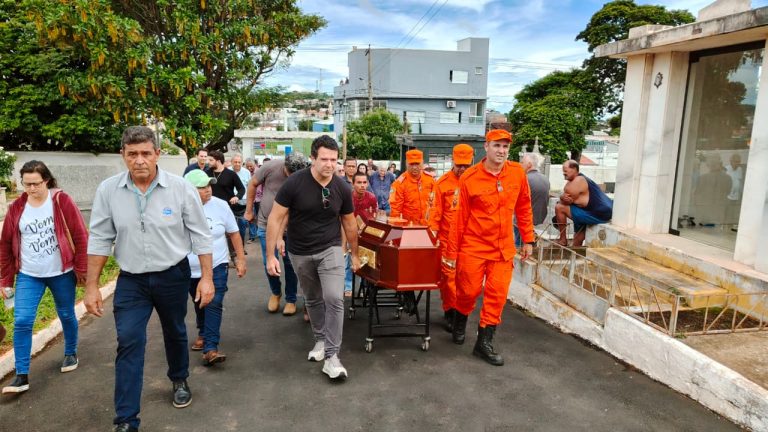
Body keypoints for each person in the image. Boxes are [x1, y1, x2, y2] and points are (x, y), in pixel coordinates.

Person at [84, 126, 214, 432]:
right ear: (123, 156)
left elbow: (200, 234)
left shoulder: (180, 188)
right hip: (132, 280)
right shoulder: (108, 191)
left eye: (145, 153)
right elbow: (101, 238)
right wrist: (91, 286)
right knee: (129, 341)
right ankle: (126, 420)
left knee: (175, 330)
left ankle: (179, 376)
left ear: (157, 154)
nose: (139, 160)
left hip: (173, 274)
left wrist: (207, 277)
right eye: (132, 154)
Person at [266, 135, 360, 380]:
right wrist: (270, 255)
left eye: (334, 160)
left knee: (334, 298)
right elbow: (276, 218)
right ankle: (320, 340)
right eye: (324, 159)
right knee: (313, 299)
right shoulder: (294, 184)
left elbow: (349, 223)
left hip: (330, 248)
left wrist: (355, 253)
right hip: (300, 250)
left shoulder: (342, 187)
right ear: (313, 158)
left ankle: (332, 356)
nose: (330, 165)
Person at [445, 129, 534, 366]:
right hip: (473, 248)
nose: (502, 151)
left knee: (497, 296)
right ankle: (461, 320)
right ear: (486, 147)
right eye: (497, 146)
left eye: (505, 147)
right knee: (468, 292)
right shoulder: (470, 178)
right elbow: (459, 219)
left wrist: (528, 239)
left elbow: (524, 207)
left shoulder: (517, 173)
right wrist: (451, 254)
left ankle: (483, 343)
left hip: (503, 249)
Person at [0, 161, 88, 394]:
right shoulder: (17, 207)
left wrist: (81, 269)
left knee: (67, 313)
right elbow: (6, 245)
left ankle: (70, 352)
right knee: (22, 321)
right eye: (26, 184)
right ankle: (21, 375)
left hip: (61, 272)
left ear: (46, 180)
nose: (31, 188)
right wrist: (6, 280)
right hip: (30, 274)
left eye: (36, 183)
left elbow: (80, 234)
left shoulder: (60, 201)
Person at [183, 170, 246, 366]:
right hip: (186, 268)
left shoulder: (220, 206)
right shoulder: (177, 208)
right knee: (198, 300)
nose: (208, 190)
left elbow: (234, 233)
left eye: (209, 186)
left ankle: (210, 347)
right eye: (202, 187)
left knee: (214, 300)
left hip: (217, 264)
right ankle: (202, 330)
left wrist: (240, 259)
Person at [244, 154, 305, 316]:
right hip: (266, 224)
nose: (292, 176)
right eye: (289, 172)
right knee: (268, 262)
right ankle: (275, 292)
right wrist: (249, 210)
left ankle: (291, 299)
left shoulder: (303, 175)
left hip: (290, 228)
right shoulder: (271, 167)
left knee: (290, 264)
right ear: (285, 165)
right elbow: (253, 184)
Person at [428, 144, 473, 333]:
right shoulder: (443, 183)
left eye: (465, 165)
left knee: (467, 280)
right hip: (447, 241)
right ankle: (450, 311)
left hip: (470, 240)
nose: (462, 169)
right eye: (459, 165)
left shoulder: (475, 181)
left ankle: (461, 312)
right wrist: (432, 237)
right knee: (448, 279)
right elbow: (435, 213)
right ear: (453, 161)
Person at [554, 160, 613, 247]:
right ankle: (575, 252)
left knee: (559, 207)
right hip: (596, 211)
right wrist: (562, 197)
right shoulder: (582, 179)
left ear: (574, 169)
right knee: (578, 236)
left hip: (598, 213)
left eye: (565, 171)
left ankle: (563, 240)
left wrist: (562, 197)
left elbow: (564, 201)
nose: (563, 173)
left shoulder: (578, 180)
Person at [390, 149, 436, 225]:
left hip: (427, 226)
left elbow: (435, 204)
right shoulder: (399, 184)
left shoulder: (430, 180)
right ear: (406, 164)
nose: (414, 167)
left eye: (417, 164)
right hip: (409, 227)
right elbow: (395, 211)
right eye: (411, 164)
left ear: (422, 163)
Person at [515, 154, 551, 247]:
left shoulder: (525, 179)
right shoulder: (545, 179)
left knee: (518, 245)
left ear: (529, 165)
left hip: (524, 220)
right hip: (540, 218)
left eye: (522, 162)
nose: (520, 164)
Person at [229, 154, 251, 250]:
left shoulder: (246, 172)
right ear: (231, 162)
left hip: (243, 202)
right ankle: (233, 249)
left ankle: (241, 247)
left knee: (242, 226)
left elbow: (249, 187)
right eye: (235, 162)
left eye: (239, 162)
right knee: (230, 226)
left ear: (242, 163)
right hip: (229, 201)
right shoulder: (227, 171)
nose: (237, 164)